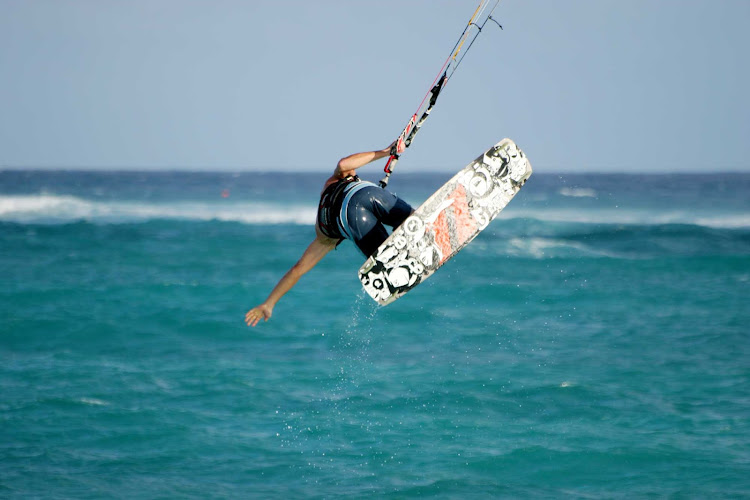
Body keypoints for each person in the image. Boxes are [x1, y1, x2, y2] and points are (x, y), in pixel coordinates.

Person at [245, 140, 414, 327]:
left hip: (350, 218)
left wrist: (269, 304)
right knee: (411, 218)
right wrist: (386, 151)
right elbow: (343, 164)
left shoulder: (324, 236)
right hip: (367, 193)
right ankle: (408, 228)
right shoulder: (332, 182)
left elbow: (297, 270)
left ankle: (403, 246)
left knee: (390, 260)